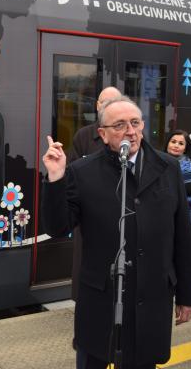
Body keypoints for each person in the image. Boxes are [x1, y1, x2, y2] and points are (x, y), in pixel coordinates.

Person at [42, 96, 191, 368]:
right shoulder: (82, 171)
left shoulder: (168, 167)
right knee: (93, 359)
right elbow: (58, 227)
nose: (130, 131)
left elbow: (182, 236)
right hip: (101, 298)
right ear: (102, 134)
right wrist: (55, 179)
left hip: (152, 297)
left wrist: (188, 295)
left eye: (135, 123)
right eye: (119, 125)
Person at [68, 87, 122, 303]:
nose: (106, 106)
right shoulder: (84, 135)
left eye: (113, 101)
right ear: (97, 106)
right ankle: (84, 301)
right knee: (85, 261)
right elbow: (72, 171)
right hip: (89, 214)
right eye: (103, 102)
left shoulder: (128, 136)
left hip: (118, 213)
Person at [164, 130, 191, 224]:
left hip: (184, 216)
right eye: (173, 142)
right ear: (167, 144)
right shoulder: (156, 164)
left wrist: (181, 202)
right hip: (161, 215)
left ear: (185, 148)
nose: (176, 145)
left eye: (181, 143)